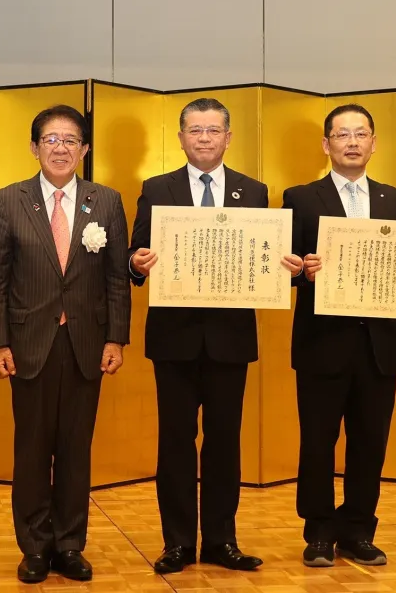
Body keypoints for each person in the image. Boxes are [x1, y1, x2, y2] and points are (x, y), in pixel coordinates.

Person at [282, 104, 396, 569]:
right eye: (342, 134)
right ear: (326, 144)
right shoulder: (300, 198)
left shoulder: (395, 200)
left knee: (370, 443)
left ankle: (358, 531)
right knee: (317, 444)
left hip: (379, 345)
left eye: (360, 134)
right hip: (322, 343)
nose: (352, 142)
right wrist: (302, 271)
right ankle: (319, 533)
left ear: (374, 143)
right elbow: (281, 267)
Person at [127, 97, 302, 575]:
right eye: (195, 130)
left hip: (230, 338)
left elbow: (266, 258)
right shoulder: (156, 188)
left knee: (225, 441)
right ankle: (178, 542)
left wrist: (285, 268)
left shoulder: (254, 191)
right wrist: (136, 264)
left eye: (213, 130)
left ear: (228, 137)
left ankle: (222, 540)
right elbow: (135, 254)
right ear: (181, 137)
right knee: (175, 441)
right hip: (174, 337)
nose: (204, 138)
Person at [0, 105, 131, 584]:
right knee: (31, 450)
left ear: (83, 149)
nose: (60, 148)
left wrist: (116, 337)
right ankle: (34, 547)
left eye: (70, 140)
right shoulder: (8, 200)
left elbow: (116, 279)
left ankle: (69, 544)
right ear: (34, 147)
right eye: (50, 139)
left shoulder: (106, 201)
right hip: (29, 342)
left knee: (75, 449)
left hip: (86, 342)